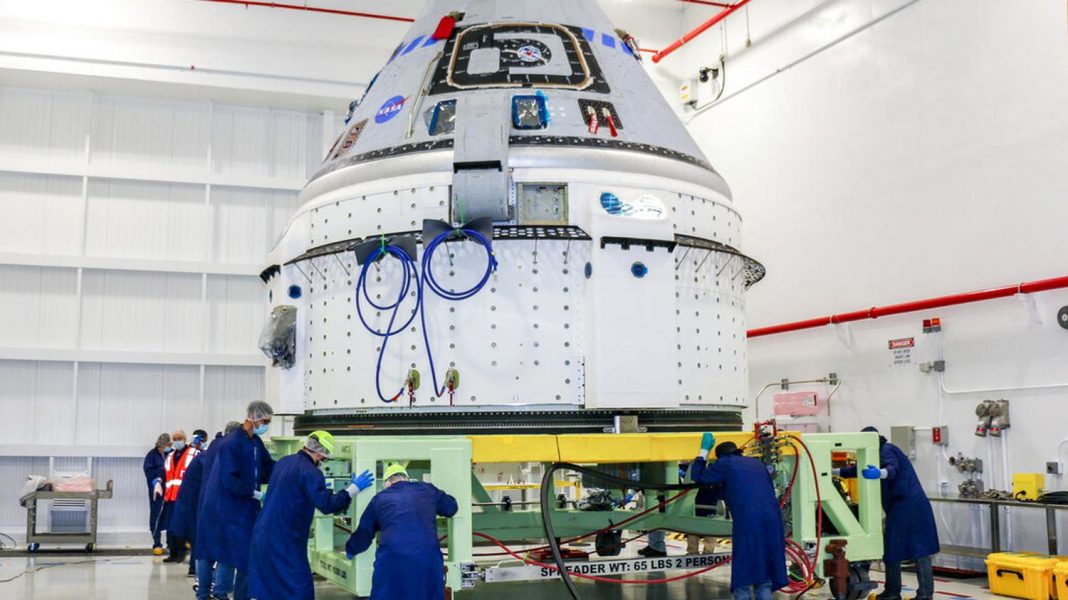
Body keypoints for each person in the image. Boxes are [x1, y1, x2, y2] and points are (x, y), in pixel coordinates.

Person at [248, 432, 374, 600]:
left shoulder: (285, 462)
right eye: (326, 458)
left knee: (270, 588)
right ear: (320, 454)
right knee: (299, 589)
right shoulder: (310, 472)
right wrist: (352, 490)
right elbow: (327, 505)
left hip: (263, 534)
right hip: (285, 540)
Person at [836, 426, 940, 600]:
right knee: (895, 549)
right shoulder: (872, 453)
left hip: (909, 506)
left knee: (917, 551)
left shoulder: (887, 449)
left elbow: (892, 469)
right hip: (899, 508)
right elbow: (857, 470)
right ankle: (895, 592)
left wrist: (880, 473)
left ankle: (919, 594)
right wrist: (833, 472)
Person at [690, 434, 788, 600]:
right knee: (764, 567)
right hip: (773, 519)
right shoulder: (756, 463)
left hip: (749, 519)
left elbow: (698, 476)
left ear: (721, 456)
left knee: (745, 564)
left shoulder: (726, 463)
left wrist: (703, 451)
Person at [197, 402, 276, 600]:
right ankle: (210, 594)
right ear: (253, 418)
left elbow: (267, 467)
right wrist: (255, 493)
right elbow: (229, 479)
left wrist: (290, 469)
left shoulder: (255, 443)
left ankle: (239, 596)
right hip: (227, 507)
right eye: (265, 421)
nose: (266, 425)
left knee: (242, 555)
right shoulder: (231, 444)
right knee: (225, 552)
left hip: (245, 507)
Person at [345, 463, 459, 600]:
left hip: (393, 558)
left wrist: (351, 548)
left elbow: (364, 532)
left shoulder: (380, 499)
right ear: (407, 479)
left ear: (387, 483)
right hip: (427, 557)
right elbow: (451, 508)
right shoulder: (428, 490)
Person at [171, 421, 241, 592]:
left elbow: (189, 489)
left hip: (203, 510)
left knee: (205, 550)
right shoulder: (227, 455)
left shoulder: (205, 455)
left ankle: (204, 586)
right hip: (218, 510)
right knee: (223, 551)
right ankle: (217, 589)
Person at [162, 430, 199, 564]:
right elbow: (166, 475)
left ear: (185, 439)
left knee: (184, 527)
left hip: (186, 498)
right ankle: (173, 553)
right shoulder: (170, 456)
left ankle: (183, 553)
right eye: (175, 438)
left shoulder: (193, 454)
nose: (177, 440)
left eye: (179, 438)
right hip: (171, 497)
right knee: (172, 528)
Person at [143, 433, 171, 555]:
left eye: (164, 447)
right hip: (156, 491)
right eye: (160, 447)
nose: (162, 449)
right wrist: (155, 480)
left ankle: (172, 544)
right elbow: (148, 470)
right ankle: (157, 543)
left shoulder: (171, 454)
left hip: (170, 490)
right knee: (156, 515)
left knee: (171, 516)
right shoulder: (152, 455)